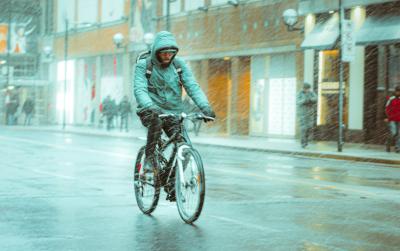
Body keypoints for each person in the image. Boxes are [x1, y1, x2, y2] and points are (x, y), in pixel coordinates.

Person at [134, 31, 215, 173]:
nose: (168, 56)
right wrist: (150, 106)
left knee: (184, 147)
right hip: (150, 111)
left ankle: (172, 184)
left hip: (174, 112)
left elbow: (192, 86)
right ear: (156, 52)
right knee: (156, 122)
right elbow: (140, 89)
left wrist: (204, 106)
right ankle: (149, 159)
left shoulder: (179, 65)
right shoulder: (143, 65)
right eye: (164, 53)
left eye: (171, 53)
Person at [297, 83, 317, 148]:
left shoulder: (311, 93)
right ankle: (303, 142)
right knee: (303, 128)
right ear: (303, 88)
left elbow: (315, 98)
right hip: (302, 114)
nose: (307, 90)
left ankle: (306, 140)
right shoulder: (299, 93)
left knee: (309, 127)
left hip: (310, 113)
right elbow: (298, 102)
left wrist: (311, 100)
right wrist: (304, 100)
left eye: (308, 89)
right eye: (306, 89)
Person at [385, 85, 400, 153]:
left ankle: (397, 147)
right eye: (397, 91)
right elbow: (386, 108)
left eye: (399, 91)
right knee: (394, 133)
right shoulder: (391, 99)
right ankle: (388, 144)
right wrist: (386, 117)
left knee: (399, 134)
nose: (398, 92)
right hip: (392, 119)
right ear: (395, 91)